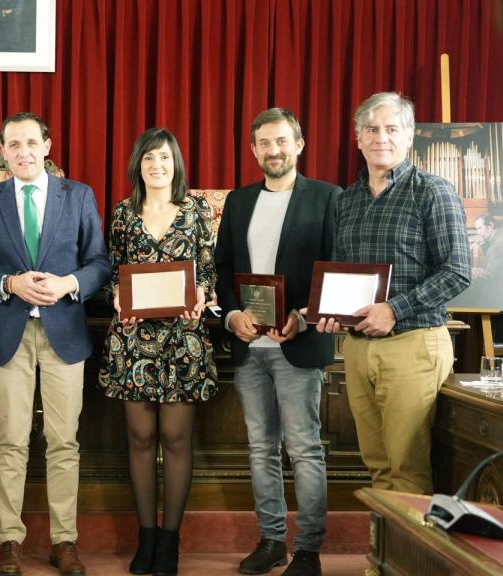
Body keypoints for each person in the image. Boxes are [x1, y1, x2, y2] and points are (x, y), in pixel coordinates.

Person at [0, 112, 109, 576]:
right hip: (10, 335)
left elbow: (99, 263)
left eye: (30, 142)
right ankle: (10, 541)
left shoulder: (77, 195)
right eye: (14, 144)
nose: (23, 152)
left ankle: (65, 541)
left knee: (64, 442)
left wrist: (68, 283)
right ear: (2, 152)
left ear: (47, 146)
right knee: (11, 442)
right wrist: (8, 284)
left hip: (65, 334)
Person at [316, 92, 470, 495]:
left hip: (413, 344)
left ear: (409, 135)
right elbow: (342, 270)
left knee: (407, 469)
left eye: (391, 129)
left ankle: (409, 540)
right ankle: (382, 541)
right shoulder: (347, 200)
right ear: (358, 138)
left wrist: (394, 309)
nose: (380, 137)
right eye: (371, 129)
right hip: (358, 348)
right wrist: (331, 312)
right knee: (378, 466)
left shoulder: (432, 191)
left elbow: (456, 272)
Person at [215, 109, 339, 576]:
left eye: (282, 141)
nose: (274, 150)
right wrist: (232, 315)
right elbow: (222, 267)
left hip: (298, 346)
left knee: (304, 449)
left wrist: (303, 317)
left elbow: (336, 269)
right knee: (260, 449)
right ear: (253, 150)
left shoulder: (327, 198)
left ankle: (307, 550)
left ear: (299, 144)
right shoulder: (238, 201)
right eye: (264, 143)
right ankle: (271, 542)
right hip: (251, 348)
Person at [98, 128, 216, 576]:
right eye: (149, 158)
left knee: (176, 438)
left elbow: (209, 271)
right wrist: (116, 297)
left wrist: (203, 293)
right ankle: (146, 536)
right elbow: (111, 273)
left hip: (183, 340)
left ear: (176, 163)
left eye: (164, 157)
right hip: (133, 341)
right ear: (138, 165)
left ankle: (170, 540)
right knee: (140, 437)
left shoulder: (196, 210)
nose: (157, 165)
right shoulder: (123, 213)